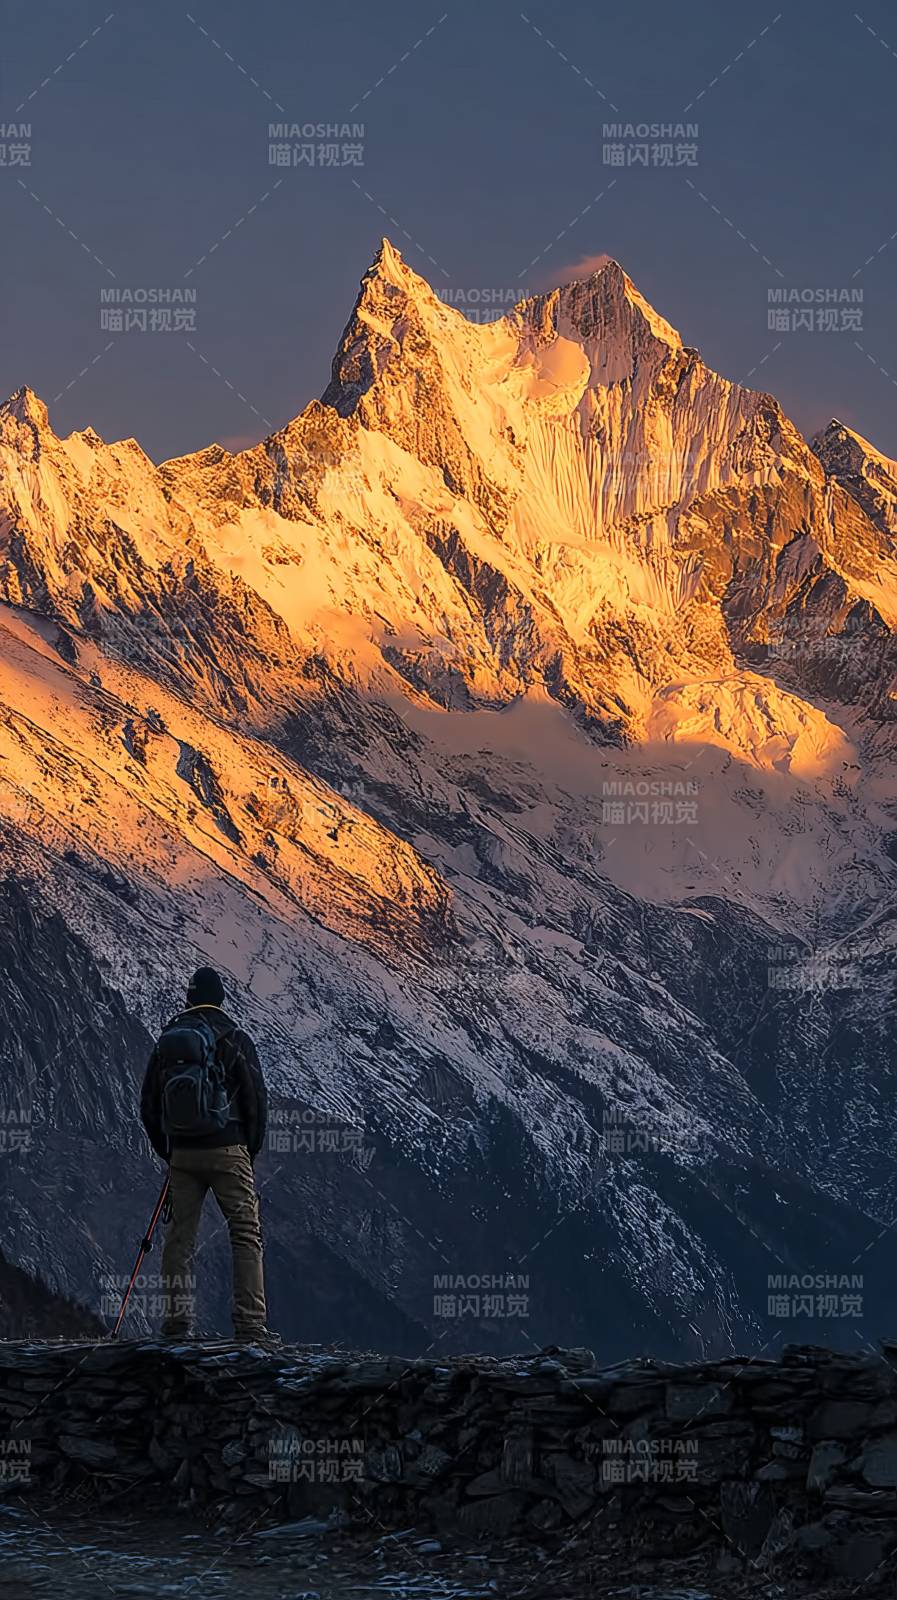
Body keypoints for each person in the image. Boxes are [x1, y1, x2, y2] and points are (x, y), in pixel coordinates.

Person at [139, 965, 280, 1348]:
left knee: (179, 1238)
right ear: (220, 999)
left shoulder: (169, 1041)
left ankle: (176, 1325)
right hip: (227, 1150)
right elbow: (256, 1100)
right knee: (245, 1234)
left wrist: (168, 1150)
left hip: (183, 1154)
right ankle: (250, 1326)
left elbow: (148, 1105)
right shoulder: (234, 1037)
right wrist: (247, 1150)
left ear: (188, 998)